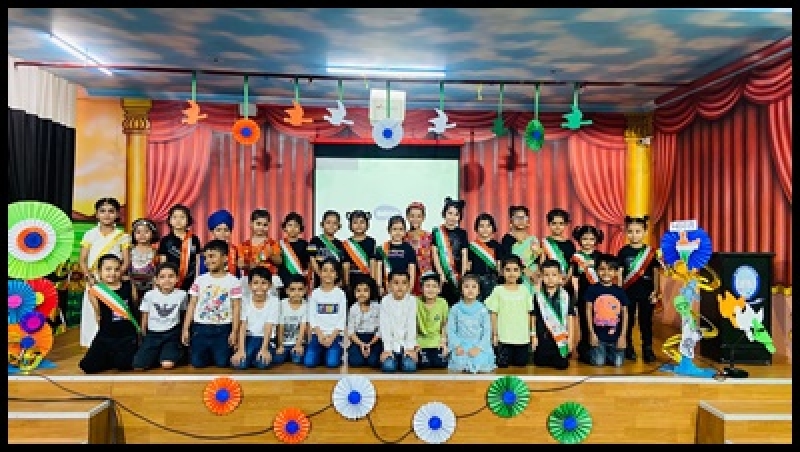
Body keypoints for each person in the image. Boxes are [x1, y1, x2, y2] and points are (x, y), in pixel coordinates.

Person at [181, 239, 243, 368]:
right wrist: (186, 328)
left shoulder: (233, 281)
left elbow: (236, 307)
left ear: (225, 258)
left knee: (222, 363)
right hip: (200, 328)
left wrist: (234, 331)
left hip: (223, 328)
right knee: (197, 363)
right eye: (206, 257)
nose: (208, 260)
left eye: (212, 256)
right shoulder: (200, 280)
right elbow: (192, 304)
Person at [79, 197, 131, 348]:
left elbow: (126, 262)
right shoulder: (90, 234)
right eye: (102, 211)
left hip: (114, 279)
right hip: (94, 279)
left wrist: (115, 277)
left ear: (117, 214)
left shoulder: (122, 236)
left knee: (112, 310)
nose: (107, 215)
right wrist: (89, 277)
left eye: (111, 211)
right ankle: (92, 343)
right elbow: (82, 260)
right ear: (96, 214)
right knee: (93, 310)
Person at [79, 254, 139, 374]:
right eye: (108, 269)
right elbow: (98, 315)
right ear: (99, 272)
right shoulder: (95, 291)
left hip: (127, 335)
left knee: (124, 365)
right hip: (106, 335)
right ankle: (110, 356)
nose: (112, 273)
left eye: (117, 269)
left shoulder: (129, 285)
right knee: (87, 366)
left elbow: (135, 305)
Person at [618, 215, 662, 363]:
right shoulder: (623, 252)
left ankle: (647, 348)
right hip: (628, 292)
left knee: (646, 322)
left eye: (638, 231)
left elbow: (656, 272)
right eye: (630, 231)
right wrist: (619, 291)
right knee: (628, 320)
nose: (634, 235)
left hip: (647, 292)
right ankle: (628, 347)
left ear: (645, 232)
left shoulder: (651, 252)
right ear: (626, 232)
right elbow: (620, 273)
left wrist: (656, 290)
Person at [132, 262, 187, 370]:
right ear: (156, 280)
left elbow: (183, 313)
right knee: (138, 366)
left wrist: (183, 331)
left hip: (172, 333)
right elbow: (145, 313)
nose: (167, 280)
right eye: (162, 277)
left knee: (167, 365)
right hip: (153, 334)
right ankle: (158, 354)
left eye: (171, 276)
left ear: (177, 279)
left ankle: (173, 353)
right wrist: (142, 331)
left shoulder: (182, 295)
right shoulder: (150, 295)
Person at [486, 255, 535, 368]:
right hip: (503, 338)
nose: (511, 273)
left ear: (520, 272)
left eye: (515, 270)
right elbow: (493, 314)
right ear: (502, 272)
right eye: (508, 270)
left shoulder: (525, 290)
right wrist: (494, 334)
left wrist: (531, 333)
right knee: (502, 365)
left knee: (521, 365)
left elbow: (529, 313)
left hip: (522, 338)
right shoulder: (498, 290)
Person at [231, 266, 281, 370]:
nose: (259, 287)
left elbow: (268, 326)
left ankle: (260, 356)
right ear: (249, 285)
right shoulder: (245, 301)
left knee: (262, 364)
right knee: (240, 364)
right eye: (255, 283)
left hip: (266, 339)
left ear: (270, 285)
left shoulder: (274, 302)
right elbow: (243, 326)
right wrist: (241, 350)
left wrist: (264, 349)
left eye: (264, 283)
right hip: (249, 337)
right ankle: (251, 357)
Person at [584, 253, 630, 368]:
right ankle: (589, 352)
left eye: (610, 269)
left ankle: (607, 353)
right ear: (596, 271)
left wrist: (623, 336)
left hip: (616, 338)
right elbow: (588, 310)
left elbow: (625, 313)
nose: (606, 273)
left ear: (616, 272)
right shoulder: (592, 289)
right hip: (599, 337)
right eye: (602, 269)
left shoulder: (620, 291)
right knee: (598, 363)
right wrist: (592, 333)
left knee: (618, 364)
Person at [446, 273, 496, 373]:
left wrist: (478, 348)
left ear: (478, 291)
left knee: (480, 362)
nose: (470, 290)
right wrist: (457, 346)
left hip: (479, 344)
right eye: (466, 286)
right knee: (460, 362)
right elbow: (450, 330)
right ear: (461, 290)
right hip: (461, 344)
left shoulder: (483, 309)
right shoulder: (455, 309)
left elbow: (487, 331)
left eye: (474, 287)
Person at [531, 259, 576, 370]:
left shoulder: (565, 296)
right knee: (540, 363)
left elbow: (570, 317)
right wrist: (533, 335)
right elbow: (533, 316)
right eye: (546, 275)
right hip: (543, 337)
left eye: (554, 275)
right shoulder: (538, 296)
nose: (550, 278)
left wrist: (570, 338)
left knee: (562, 365)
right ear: (541, 276)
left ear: (560, 276)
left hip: (560, 338)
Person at [304, 258, 347, 368]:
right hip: (318, 335)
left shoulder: (340, 294)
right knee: (309, 362)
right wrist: (320, 335)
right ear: (320, 272)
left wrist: (331, 337)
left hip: (335, 336)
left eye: (332, 271)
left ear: (336, 275)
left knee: (332, 363)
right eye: (325, 270)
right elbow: (312, 317)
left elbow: (342, 318)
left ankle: (332, 352)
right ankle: (323, 352)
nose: (328, 274)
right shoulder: (315, 294)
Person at [570, 225, 604, 364]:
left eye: (591, 239)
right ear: (579, 239)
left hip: (599, 295)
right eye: (585, 239)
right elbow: (574, 277)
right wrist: (575, 295)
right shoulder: (576, 257)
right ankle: (584, 350)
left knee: (599, 322)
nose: (588, 242)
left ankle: (599, 349)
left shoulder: (600, 257)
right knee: (584, 323)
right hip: (583, 295)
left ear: (596, 240)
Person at [431, 197, 469, 306]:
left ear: (460, 217)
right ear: (444, 214)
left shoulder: (462, 233)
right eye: (450, 213)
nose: (452, 217)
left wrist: (463, 275)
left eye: (456, 214)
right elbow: (435, 255)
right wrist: (441, 274)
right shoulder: (437, 232)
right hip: (442, 276)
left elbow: (464, 255)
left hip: (458, 276)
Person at [378, 270, 418, 373]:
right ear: (389, 285)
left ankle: (403, 360)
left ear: (408, 285)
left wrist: (410, 348)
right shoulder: (385, 301)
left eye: (404, 283)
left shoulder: (412, 301)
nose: (400, 287)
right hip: (391, 346)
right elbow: (385, 327)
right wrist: (387, 349)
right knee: (388, 367)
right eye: (396, 283)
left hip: (406, 345)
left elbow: (411, 325)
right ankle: (395, 360)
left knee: (409, 367)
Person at [157, 204, 201, 292]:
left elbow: (197, 261)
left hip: (191, 280)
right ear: (170, 220)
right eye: (175, 217)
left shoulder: (194, 239)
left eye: (182, 217)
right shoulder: (165, 240)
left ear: (188, 220)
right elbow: (163, 263)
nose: (178, 220)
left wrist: (197, 280)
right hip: (171, 281)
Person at [238, 208, 282, 296]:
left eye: (265, 225)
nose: (261, 227)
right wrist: (249, 266)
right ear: (251, 224)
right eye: (258, 224)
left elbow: (279, 262)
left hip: (269, 279)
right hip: (250, 279)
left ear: (269, 225)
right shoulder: (243, 245)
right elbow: (240, 264)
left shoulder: (273, 243)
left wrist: (271, 254)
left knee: (270, 302)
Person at [500, 205, 541, 295]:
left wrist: (536, 274)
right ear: (511, 221)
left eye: (523, 218)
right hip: (515, 276)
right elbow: (508, 259)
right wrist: (527, 271)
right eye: (517, 218)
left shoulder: (533, 239)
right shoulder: (507, 239)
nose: (521, 220)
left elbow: (538, 260)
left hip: (533, 279)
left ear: (527, 220)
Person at [341, 210, 379, 300]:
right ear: (350, 225)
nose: (358, 225)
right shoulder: (346, 244)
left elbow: (373, 263)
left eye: (362, 222)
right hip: (352, 279)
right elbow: (345, 265)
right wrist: (346, 284)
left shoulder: (371, 241)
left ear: (367, 225)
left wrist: (373, 282)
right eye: (355, 222)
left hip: (367, 279)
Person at [377, 215, 418, 297]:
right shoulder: (382, 248)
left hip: (403, 288)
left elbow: (412, 270)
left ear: (405, 231)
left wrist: (409, 289)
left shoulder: (409, 248)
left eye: (401, 229)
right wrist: (379, 286)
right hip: (387, 288)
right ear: (389, 230)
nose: (398, 232)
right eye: (394, 229)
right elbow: (379, 269)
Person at [129, 218, 160, 324]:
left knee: (148, 314)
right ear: (133, 234)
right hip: (132, 287)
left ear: (153, 233)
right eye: (138, 232)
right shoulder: (129, 251)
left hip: (150, 288)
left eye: (146, 232)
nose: (142, 235)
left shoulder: (156, 252)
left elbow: (158, 272)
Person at [346, 278, 382, 368]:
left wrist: (370, 344)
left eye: (365, 290)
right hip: (358, 338)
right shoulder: (353, 308)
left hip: (374, 339)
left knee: (374, 362)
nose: (361, 294)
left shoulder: (377, 307)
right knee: (355, 362)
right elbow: (351, 332)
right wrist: (361, 344)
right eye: (358, 291)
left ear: (371, 292)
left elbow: (380, 330)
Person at [416, 272, 449, 369]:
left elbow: (445, 324)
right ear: (421, 288)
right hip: (421, 342)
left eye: (434, 286)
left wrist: (443, 342)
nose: (431, 289)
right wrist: (415, 343)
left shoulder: (442, 303)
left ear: (439, 289)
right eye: (427, 286)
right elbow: (412, 324)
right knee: (423, 364)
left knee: (441, 363)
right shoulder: (415, 302)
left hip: (437, 342)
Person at [274, 274, 309, 365]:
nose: (296, 293)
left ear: (305, 290)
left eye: (300, 289)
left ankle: (292, 354)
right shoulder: (282, 304)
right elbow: (280, 327)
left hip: (299, 342)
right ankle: (287, 354)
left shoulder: (306, 305)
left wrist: (298, 345)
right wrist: (280, 345)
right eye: (292, 289)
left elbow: (303, 327)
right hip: (284, 343)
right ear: (287, 291)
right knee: (277, 360)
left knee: (297, 360)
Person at [308, 210, 347, 289]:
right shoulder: (314, 240)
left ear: (339, 226)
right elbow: (312, 260)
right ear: (322, 224)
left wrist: (342, 281)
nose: (331, 226)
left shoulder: (341, 244)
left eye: (334, 223)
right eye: (328, 222)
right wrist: (322, 276)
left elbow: (342, 265)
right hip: (320, 282)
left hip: (336, 283)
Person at [468, 212, 503, 302]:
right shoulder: (471, 247)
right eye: (481, 226)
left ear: (493, 228)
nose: (485, 229)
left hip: (493, 281)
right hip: (475, 282)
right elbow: (469, 266)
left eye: (488, 226)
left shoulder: (498, 246)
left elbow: (499, 267)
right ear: (476, 228)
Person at [276, 212, 311, 299]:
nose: (292, 228)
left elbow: (310, 263)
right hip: (283, 283)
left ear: (300, 228)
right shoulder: (278, 245)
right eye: (290, 225)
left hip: (300, 283)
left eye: (296, 226)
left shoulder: (307, 244)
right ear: (284, 227)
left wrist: (308, 279)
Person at [539, 208, 576, 290]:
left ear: (566, 224)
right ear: (548, 224)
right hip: (548, 282)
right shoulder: (545, 243)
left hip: (566, 282)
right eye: (554, 223)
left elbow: (572, 265)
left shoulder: (570, 244)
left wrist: (566, 280)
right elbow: (542, 262)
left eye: (561, 223)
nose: (557, 227)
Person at [199, 209, 241, 278]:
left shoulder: (235, 251)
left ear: (230, 232)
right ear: (212, 232)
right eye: (218, 230)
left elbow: (238, 276)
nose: (222, 233)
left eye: (226, 230)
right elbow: (202, 274)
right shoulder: (207, 251)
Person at [404, 201, 434, 296]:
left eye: (418, 216)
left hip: (426, 278)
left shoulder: (430, 237)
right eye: (412, 216)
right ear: (407, 217)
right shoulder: (403, 237)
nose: (415, 219)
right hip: (408, 278)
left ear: (423, 218)